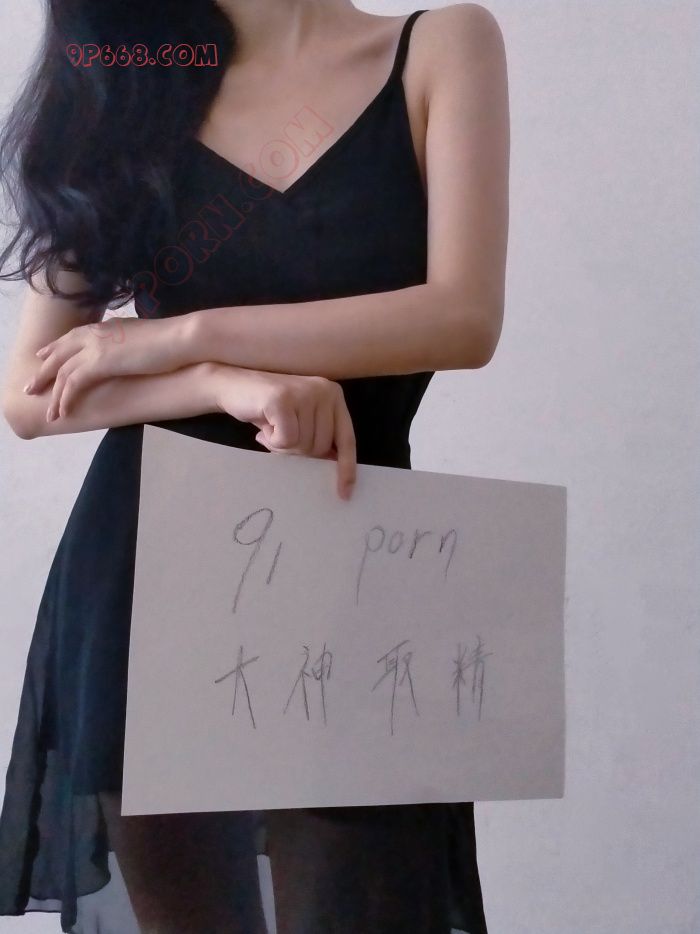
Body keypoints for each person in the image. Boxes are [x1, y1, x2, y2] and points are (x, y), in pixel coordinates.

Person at [0, 0, 509, 931]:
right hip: (150, 580)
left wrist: (184, 335)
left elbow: (462, 318)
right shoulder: (131, 84)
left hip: (360, 569)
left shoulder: (439, 45)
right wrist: (218, 383)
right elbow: (30, 397)